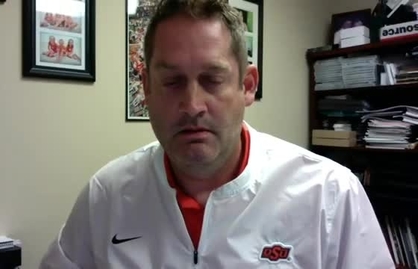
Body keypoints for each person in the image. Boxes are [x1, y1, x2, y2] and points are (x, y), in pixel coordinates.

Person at [40, 0, 395, 268]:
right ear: (146, 88)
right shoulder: (107, 195)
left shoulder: (329, 194)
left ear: (247, 86)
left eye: (212, 79)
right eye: (172, 82)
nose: (192, 104)